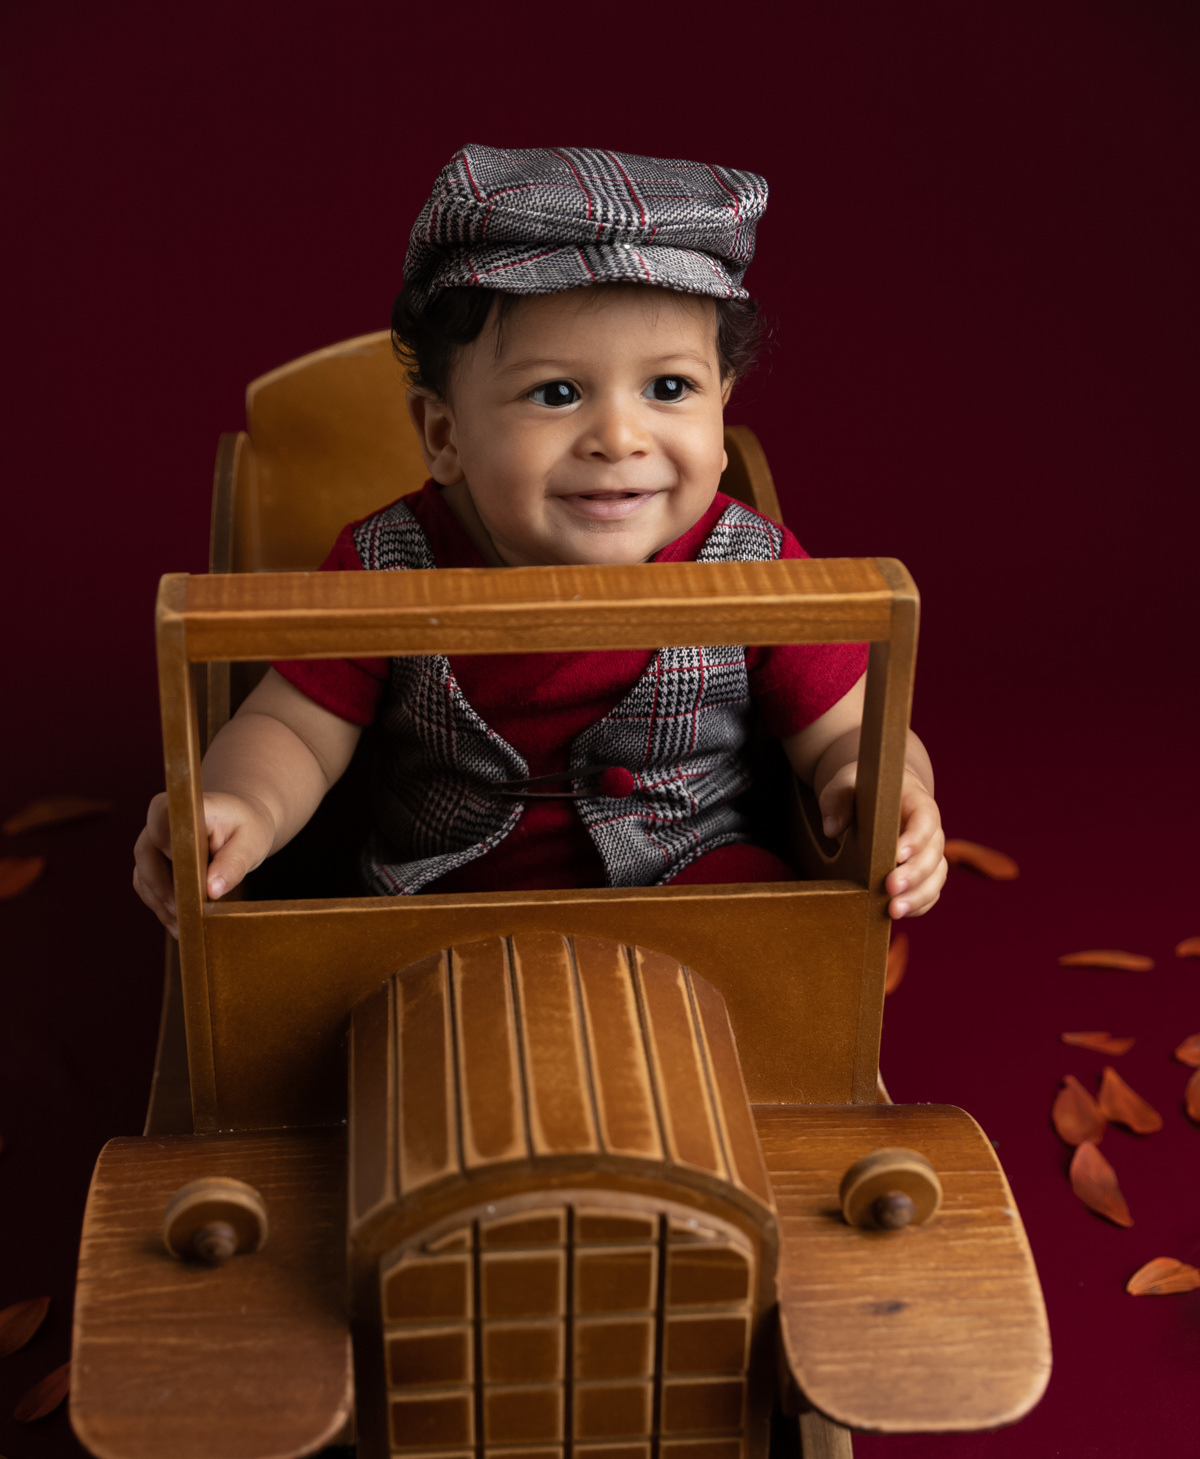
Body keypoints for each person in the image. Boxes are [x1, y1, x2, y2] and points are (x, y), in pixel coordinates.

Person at [134, 144, 947, 934]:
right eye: (556, 393)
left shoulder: (751, 562)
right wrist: (240, 804)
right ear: (444, 433)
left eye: (670, 387)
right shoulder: (387, 563)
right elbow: (292, 730)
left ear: (722, 408)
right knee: (359, 993)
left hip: (695, 886)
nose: (619, 438)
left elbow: (851, 728)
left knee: (775, 944)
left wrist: (883, 787)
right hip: (445, 905)